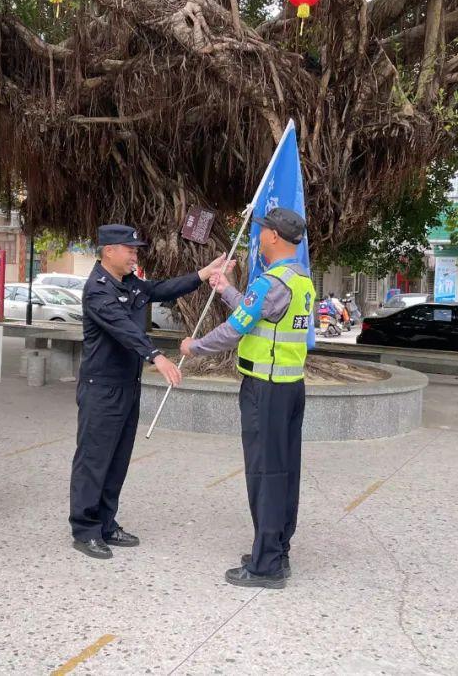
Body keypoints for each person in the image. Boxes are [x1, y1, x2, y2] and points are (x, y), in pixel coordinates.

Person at [69, 224, 231, 560]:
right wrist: (156, 355)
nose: (134, 254)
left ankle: (106, 522)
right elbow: (123, 328)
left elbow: (160, 289)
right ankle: (85, 530)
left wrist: (203, 274)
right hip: (101, 388)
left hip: (128, 385)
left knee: (117, 459)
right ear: (108, 250)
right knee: (94, 459)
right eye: (129, 249)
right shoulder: (98, 290)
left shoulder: (130, 284)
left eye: (135, 249)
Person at [181, 207, 314, 589]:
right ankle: (277, 549)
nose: (258, 238)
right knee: (285, 472)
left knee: (265, 474)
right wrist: (225, 289)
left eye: (261, 231)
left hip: (265, 390)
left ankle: (265, 566)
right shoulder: (301, 279)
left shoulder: (271, 282)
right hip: (290, 386)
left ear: (273, 236)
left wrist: (195, 347)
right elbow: (257, 314)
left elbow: (235, 330)